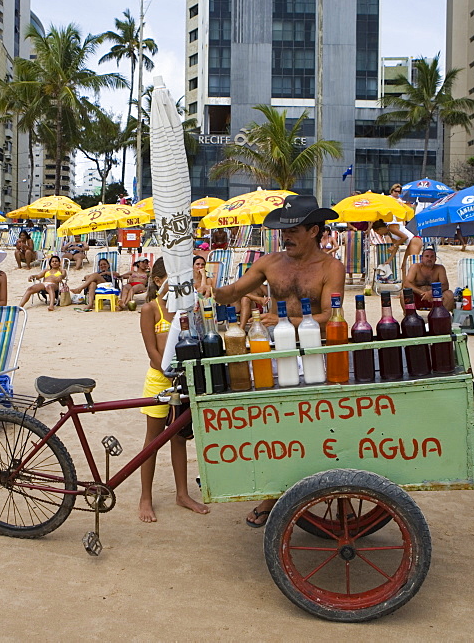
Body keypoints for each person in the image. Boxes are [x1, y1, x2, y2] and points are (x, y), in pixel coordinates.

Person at [208, 194, 344, 527]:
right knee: (277, 425)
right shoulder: (269, 263)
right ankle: (273, 494)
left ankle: (342, 498)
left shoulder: (331, 267)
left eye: (293, 228)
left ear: (314, 230)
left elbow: (331, 314)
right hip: (273, 353)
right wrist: (209, 288)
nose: (286, 236)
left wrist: (288, 322)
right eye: (283, 229)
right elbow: (233, 292)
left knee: (326, 426)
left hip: (315, 353)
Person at [137, 257, 210, 523]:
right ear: (159, 281)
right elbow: (152, 352)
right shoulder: (151, 309)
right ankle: (146, 497)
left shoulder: (186, 308)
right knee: (153, 440)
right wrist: (169, 374)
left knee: (179, 438)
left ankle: (182, 494)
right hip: (159, 380)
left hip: (183, 380)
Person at [401, 246, 455, 311]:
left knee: (449, 294)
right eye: (427, 256)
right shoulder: (415, 267)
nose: (429, 258)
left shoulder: (440, 269)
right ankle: (409, 316)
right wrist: (423, 293)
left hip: (435, 298)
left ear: (435, 259)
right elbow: (406, 284)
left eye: (432, 257)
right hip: (418, 298)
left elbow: (445, 285)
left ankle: (441, 316)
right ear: (422, 258)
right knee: (403, 294)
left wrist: (432, 293)